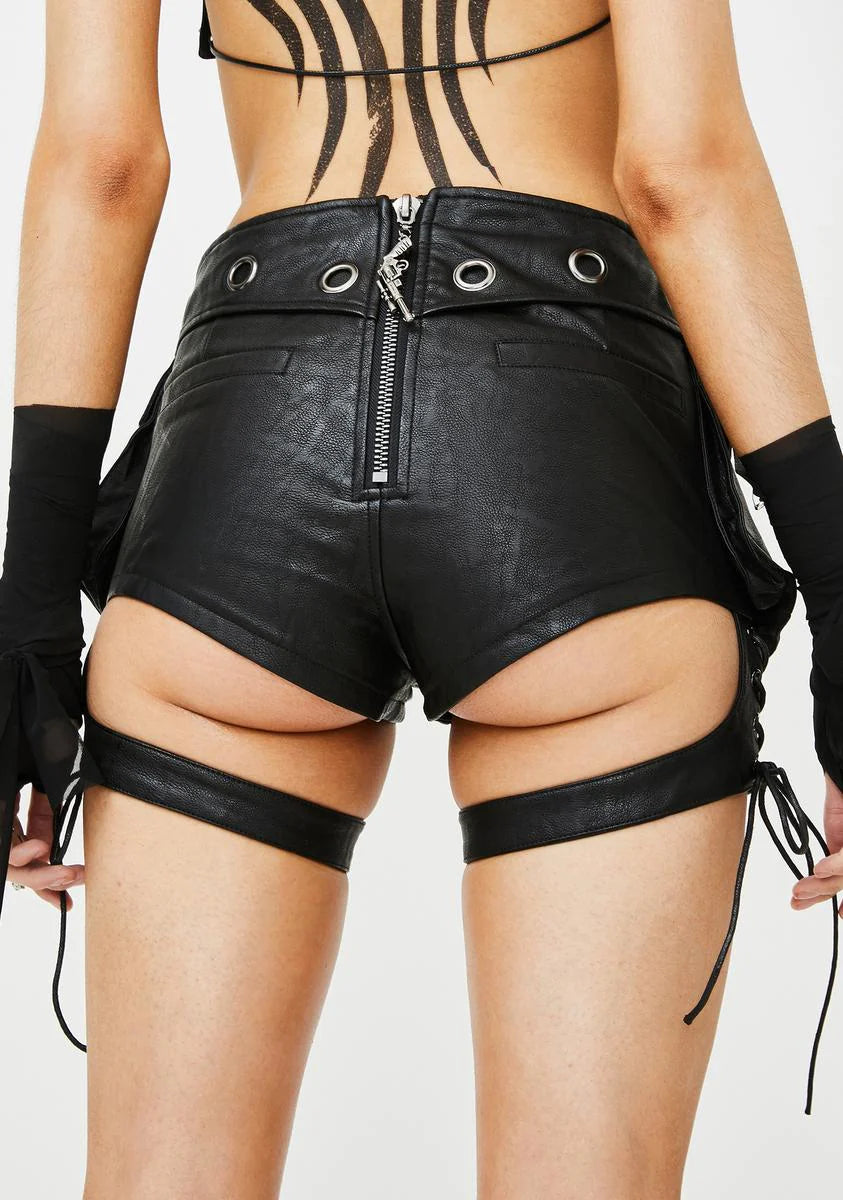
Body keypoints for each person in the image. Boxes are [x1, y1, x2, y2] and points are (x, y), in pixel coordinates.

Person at [1, 1, 841, 1195]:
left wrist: (31, 626)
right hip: (567, 444)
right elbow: (681, 172)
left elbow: (102, 164)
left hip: (247, 433)